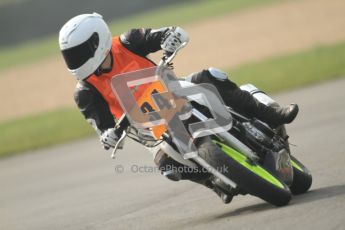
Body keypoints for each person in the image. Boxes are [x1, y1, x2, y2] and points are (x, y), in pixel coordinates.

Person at [59, 13, 298, 204]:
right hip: (151, 127)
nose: (74, 60)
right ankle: (213, 180)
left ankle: (270, 113)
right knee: (165, 165)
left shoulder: (128, 41)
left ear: (96, 41)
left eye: (78, 53)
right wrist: (108, 136)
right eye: (69, 55)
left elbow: (169, 33)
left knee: (209, 76)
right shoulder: (85, 92)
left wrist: (171, 37)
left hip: (175, 89)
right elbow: (103, 128)